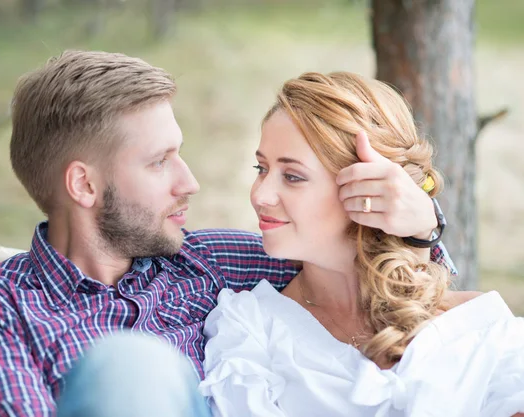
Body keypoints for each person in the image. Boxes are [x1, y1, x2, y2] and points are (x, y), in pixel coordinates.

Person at [0, 51, 453, 417]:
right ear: (84, 184)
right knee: (129, 364)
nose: (191, 182)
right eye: (161, 162)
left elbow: (365, 269)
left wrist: (420, 224)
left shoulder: (211, 262)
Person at [198, 71, 524, 417]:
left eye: (292, 176)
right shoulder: (249, 331)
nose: (260, 195)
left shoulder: (476, 328)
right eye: (260, 167)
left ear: (371, 186)